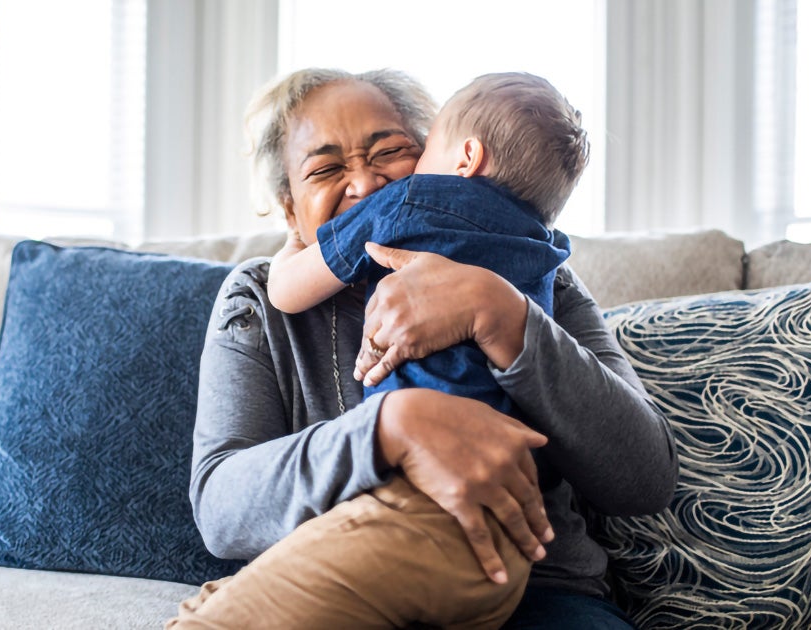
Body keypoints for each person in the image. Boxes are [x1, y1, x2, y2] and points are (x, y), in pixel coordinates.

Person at [169, 67, 678, 629]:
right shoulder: (259, 298)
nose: (365, 185)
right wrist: (388, 427)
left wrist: (502, 315)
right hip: (352, 583)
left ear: (443, 160)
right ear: (290, 209)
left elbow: (645, 478)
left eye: (390, 152)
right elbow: (221, 508)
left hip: (540, 590)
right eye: (326, 168)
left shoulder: (540, 275)